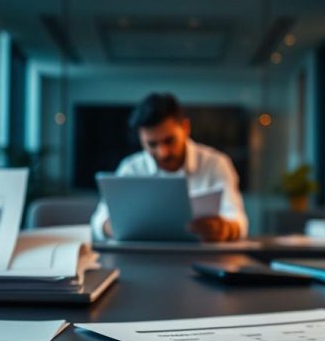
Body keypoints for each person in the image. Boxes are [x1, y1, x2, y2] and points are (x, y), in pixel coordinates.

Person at [91, 93, 248, 242]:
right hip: (143, 258)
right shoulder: (130, 168)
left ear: (186, 128)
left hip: (203, 257)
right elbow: (99, 220)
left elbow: (239, 221)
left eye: (169, 141)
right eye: (152, 144)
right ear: (141, 139)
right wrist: (114, 227)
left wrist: (223, 229)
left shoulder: (216, 163)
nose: (163, 153)